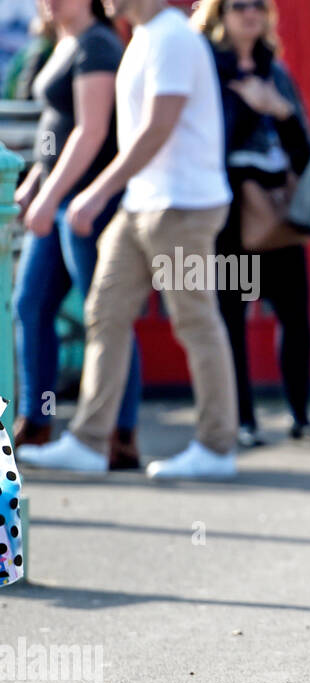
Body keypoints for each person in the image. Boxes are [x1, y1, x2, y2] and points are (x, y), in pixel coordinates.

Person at [19, 0, 238, 479]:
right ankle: (91, 442)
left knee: (195, 322)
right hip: (142, 204)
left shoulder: (172, 36)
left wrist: (96, 192)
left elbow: (159, 126)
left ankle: (217, 446)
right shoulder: (142, 36)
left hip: (183, 206)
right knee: (105, 313)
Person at [11, 0, 143, 471]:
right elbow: (57, 131)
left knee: (105, 314)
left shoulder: (99, 45)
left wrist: (52, 196)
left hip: (89, 202)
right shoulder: (65, 41)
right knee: (31, 304)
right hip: (60, 197)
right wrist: (33, 185)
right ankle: (38, 422)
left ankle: (120, 436)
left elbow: (90, 132)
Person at [195, 0, 310, 447]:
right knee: (230, 318)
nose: (249, 14)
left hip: (278, 207)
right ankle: (241, 420)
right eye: (237, 6)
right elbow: (207, 142)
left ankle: (302, 416)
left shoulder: (276, 70)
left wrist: (278, 110)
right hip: (228, 212)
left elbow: (304, 153)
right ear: (218, 14)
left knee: (296, 317)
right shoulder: (207, 67)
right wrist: (248, 106)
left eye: (257, 6)